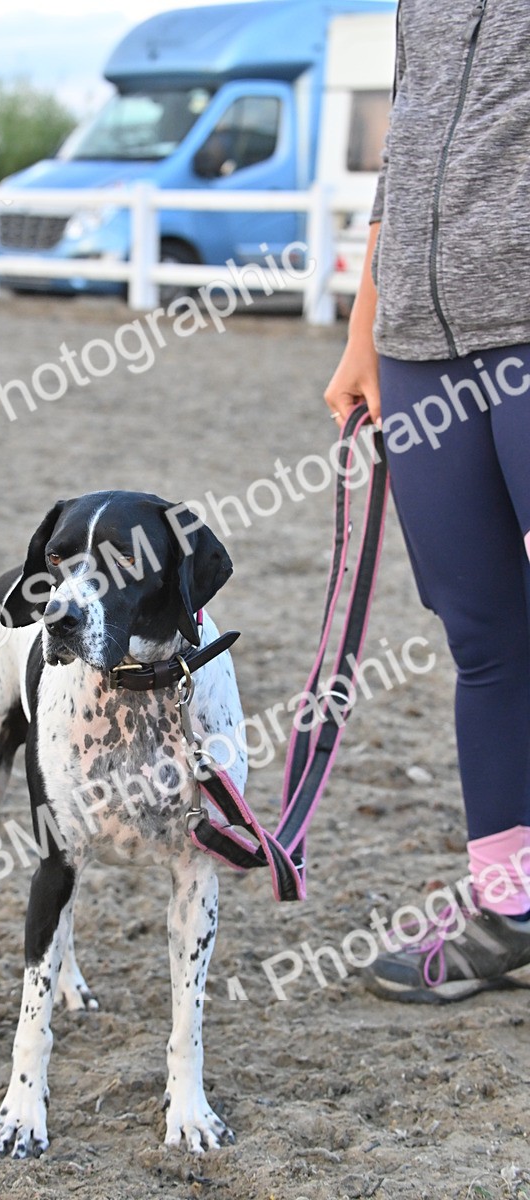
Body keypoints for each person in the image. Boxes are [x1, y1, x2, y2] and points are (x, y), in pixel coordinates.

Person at [324, 0, 530, 1002]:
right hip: (418, 349)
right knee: (482, 637)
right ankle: (510, 910)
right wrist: (364, 334)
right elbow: (400, 155)